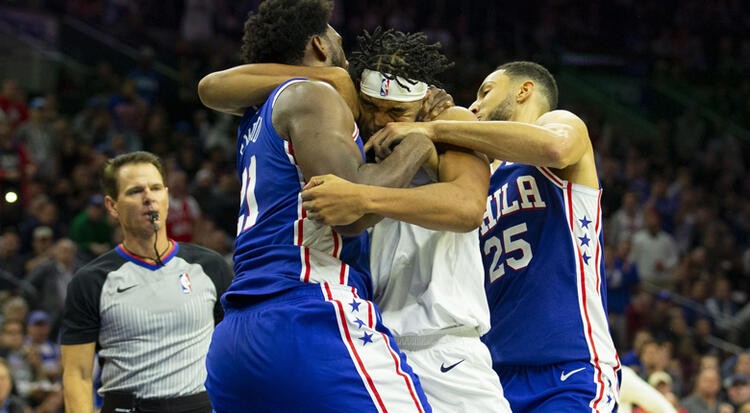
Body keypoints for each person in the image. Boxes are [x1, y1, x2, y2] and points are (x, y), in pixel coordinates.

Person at [200, 22, 510, 410]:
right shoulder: (342, 128)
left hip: (443, 343)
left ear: (424, 102)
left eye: (396, 111)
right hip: (363, 331)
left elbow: (466, 208)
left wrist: (369, 191)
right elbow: (212, 88)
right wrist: (332, 78)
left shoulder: (450, 123)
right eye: (372, 107)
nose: (381, 120)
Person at [367, 61, 621, 411]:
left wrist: (437, 128)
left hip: (568, 368)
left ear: (524, 91)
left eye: (485, 92)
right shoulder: (476, 183)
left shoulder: (558, 124)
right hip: (492, 372)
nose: (474, 106)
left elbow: (556, 148)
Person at [60, 151, 233, 413]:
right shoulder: (91, 281)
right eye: (135, 191)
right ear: (112, 206)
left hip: (200, 405)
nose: (148, 198)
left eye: (155, 188)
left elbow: (233, 353)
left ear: (166, 196)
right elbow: (77, 375)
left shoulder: (210, 267)